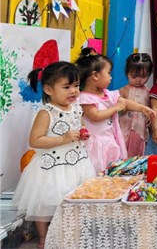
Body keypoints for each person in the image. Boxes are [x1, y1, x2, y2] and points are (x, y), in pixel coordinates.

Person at [12, 62, 95, 249]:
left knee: (73, 201)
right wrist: (63, 138)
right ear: (48, 89)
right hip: (51, 167)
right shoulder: (46, 113)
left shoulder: (76, 108)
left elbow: (79, 126)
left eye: (76, 85)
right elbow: (35, 140)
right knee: (44, 204)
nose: (73, 91)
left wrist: (83, 133)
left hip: (76, 163)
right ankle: (43, 238)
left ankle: (70, 235)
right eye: (66, 87)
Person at [77, 52, 155, 173]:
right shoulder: (85, 98)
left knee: (112, 170)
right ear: (95, 75)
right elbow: (95, 116)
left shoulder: (107, 94)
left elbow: (125, 102)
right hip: (95, 145)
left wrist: (142, 108)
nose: (111, 77)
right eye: (108, 73)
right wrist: (115, 108)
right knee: (97, 171)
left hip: (110, 141)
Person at [118, 53, 153, 157]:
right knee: (123, 152)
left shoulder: (149, 92)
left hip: (140, 128)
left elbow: (151, 109)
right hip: (125, 127)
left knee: (138, 152)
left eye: (143, 76)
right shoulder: (124, 90)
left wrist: (150, 118)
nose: (138, 80)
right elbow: (117, 109)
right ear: (127, 73)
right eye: (134, 76)